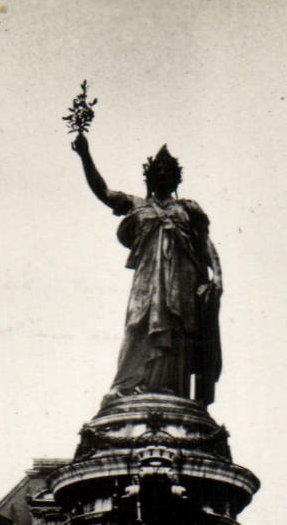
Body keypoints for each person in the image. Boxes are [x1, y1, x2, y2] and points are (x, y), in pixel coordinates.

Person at [72, 132, 224, 406]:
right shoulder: (136, 205)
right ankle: (128, 386)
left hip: (182, 278)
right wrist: (85, 156)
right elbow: (104, 192)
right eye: (158, 170)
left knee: (177, 330)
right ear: (149, 177)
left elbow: (205, 244)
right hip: (147, 277)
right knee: (137, 324)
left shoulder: (188, 208)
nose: (162, 173)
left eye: (168, 170)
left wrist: (218, 276)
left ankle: (171, 389)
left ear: (176, 178)